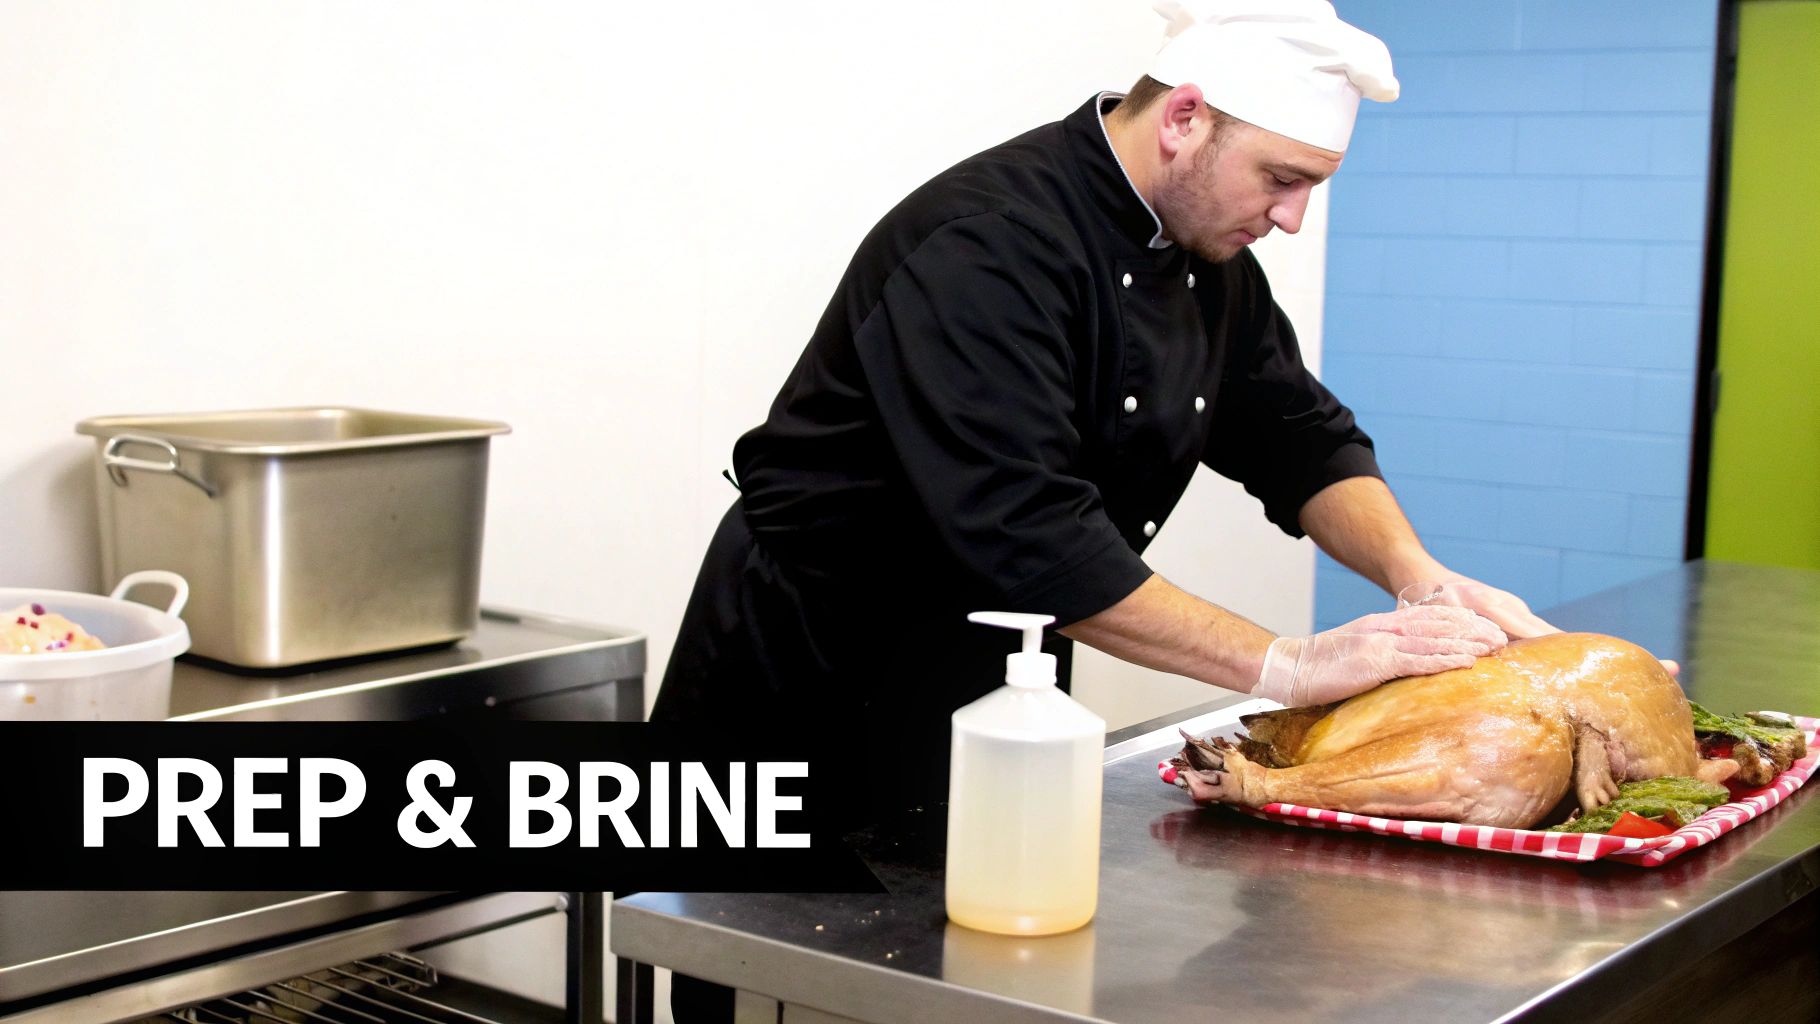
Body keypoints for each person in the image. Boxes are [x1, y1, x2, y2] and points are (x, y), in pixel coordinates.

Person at [653, 3, 1556, 1015]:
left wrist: (1415, 575)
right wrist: (1289, 666)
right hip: (804, 667)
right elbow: (1028, 539)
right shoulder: (986, 244)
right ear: (1182, 118)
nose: (1291, 217)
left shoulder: (1205, 262)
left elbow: (1299, 437)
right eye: (1281, 179)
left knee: (950, 965)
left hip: (984, 668)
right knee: (738, 959)